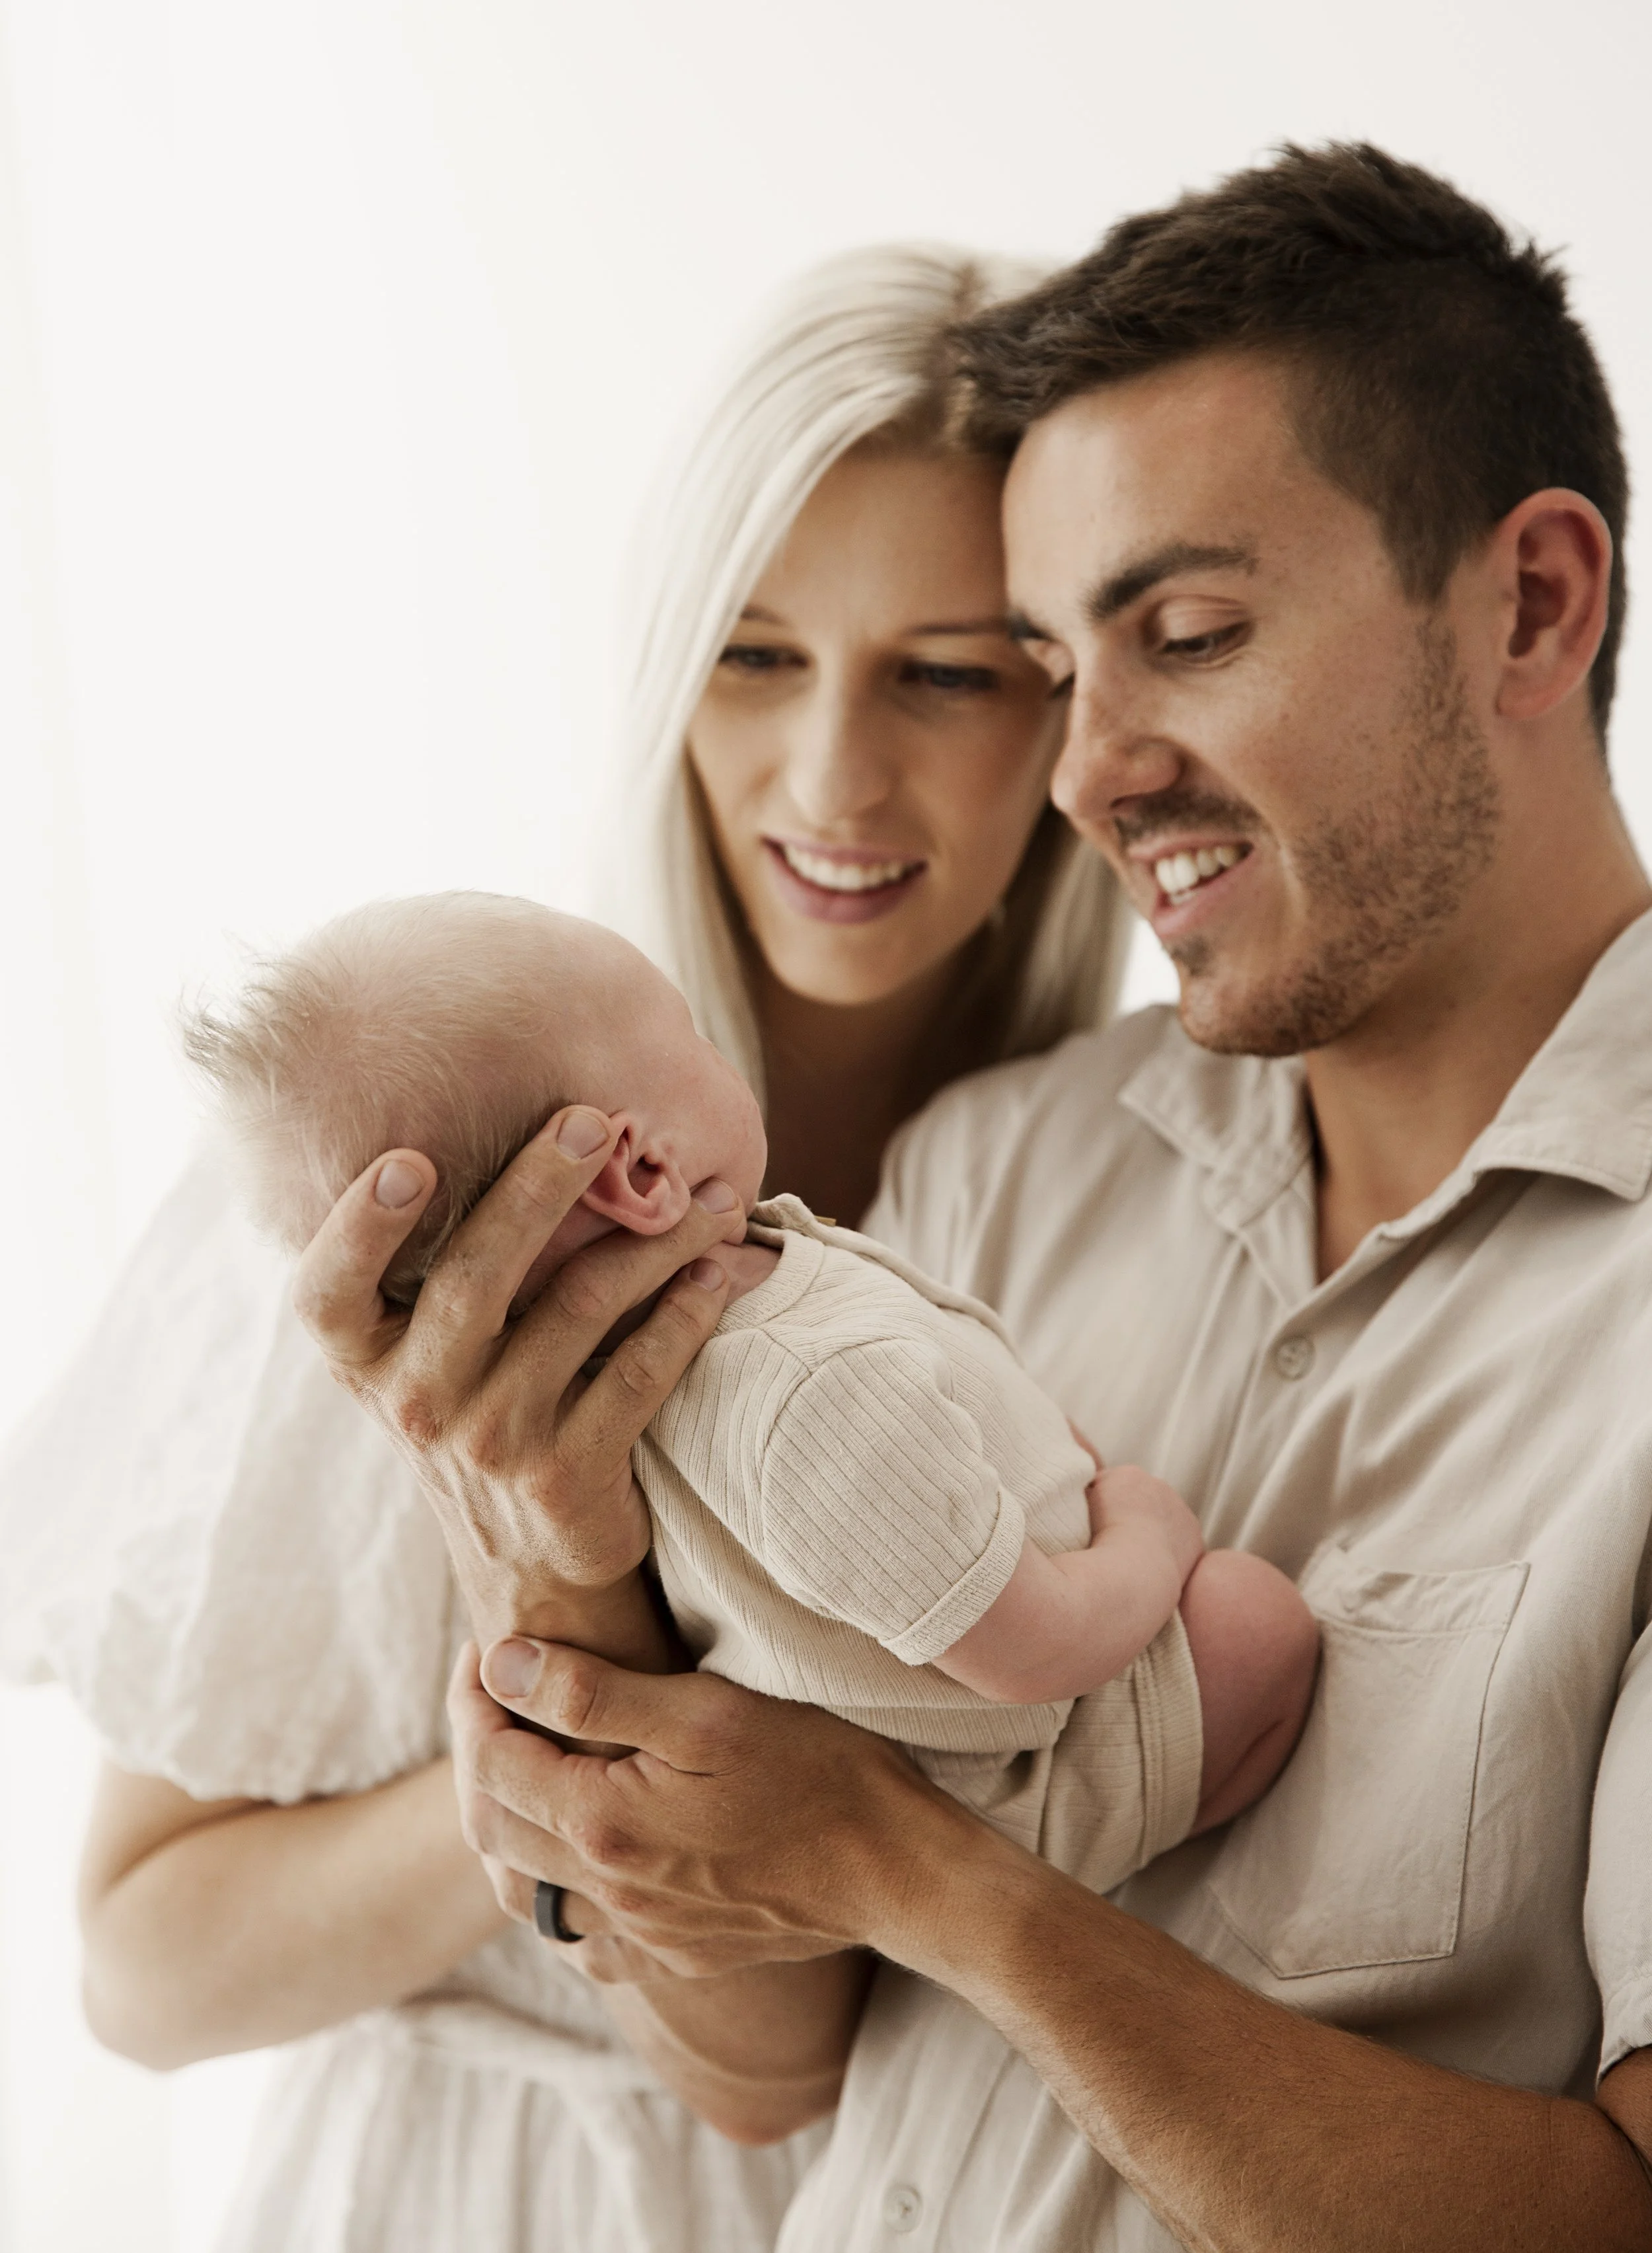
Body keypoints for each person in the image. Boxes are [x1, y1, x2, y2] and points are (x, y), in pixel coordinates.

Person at [299, 145, 1652, 2249]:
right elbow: (764, 2078)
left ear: (1532, 605)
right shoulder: (994, 1169)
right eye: (1046, 662)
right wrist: (571, 1563)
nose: (1087, 767)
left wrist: (929, 1880)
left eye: (1186, 634)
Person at [0, 243, 1126, 2251]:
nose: (831, 779)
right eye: (753, 652)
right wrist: (544, 1704)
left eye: (945, 672)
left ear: (1067, 691)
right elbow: (139, 1971)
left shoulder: (1101, 1193)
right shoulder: (402, 1157)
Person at [184, 888, 1316, 1868]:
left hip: (976, 1706)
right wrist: (1149, 1534)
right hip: (1036, 1777)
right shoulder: (797, 1394)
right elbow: (1035, 1657)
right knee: (1256, 1623)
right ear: (639, 1167)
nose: (725, 1054)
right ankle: (1138, 1849)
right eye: (691, 1036)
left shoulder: (712, 1301)